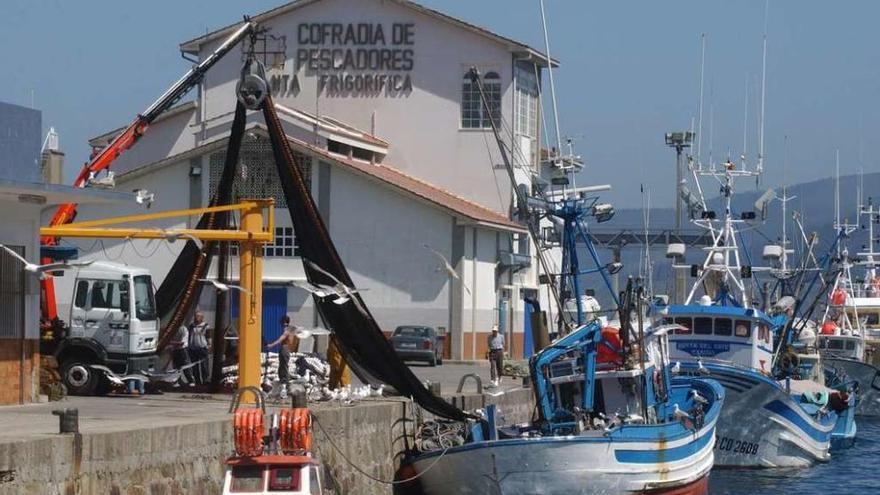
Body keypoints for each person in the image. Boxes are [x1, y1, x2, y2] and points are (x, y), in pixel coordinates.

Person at [266, 315, 300, 397]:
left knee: (283, 366)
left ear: (284, 322)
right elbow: (297, 340)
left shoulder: (286, 330)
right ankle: (285, 382)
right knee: (284, 366)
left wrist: (271, 345)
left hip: (284, 349)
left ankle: (284, 383)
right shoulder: (293, 330)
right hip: (288, 350)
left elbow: (280, 339)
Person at [187, 310, 211, 384]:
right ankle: (197, 382)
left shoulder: (206, 326)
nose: (196, 318)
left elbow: (209, 337)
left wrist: (209, 345)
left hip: (202, 349)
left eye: (198, 316)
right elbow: (188, 337)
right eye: (195, 316)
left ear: (201, 317)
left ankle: (205, 381)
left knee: (204, 366)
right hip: (193, 349)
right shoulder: (191, 326)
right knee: (195, 367)